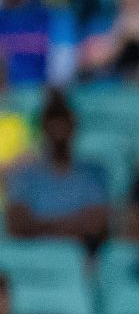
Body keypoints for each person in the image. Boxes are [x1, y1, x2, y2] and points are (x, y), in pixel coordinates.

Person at [5, 89, 108, 249]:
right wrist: (71, 226)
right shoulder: (25, 176)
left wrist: (43, 227)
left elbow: (96, 224)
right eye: (52, 121)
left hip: (78, 259)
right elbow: (16, 224)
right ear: (43, 127)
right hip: (33, 257)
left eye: (63, 121)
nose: (58, 129)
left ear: (73, 126)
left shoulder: (93, 173)